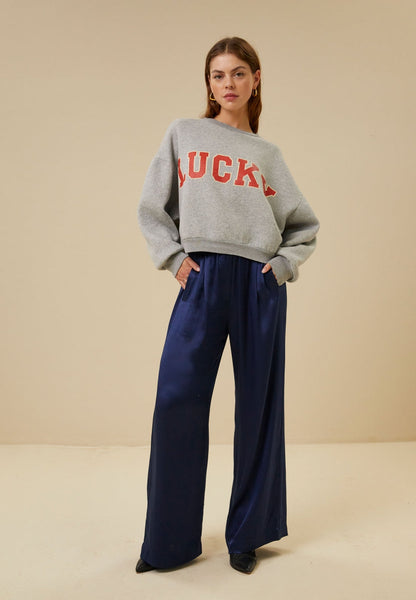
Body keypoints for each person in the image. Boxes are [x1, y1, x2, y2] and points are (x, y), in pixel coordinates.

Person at [135, 36, 320, 575]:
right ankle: (167, 544)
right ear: (209, 84)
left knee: (258, 407)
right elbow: (151, 207)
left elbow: (303, 226)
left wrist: (282, 266)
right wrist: (173, 257)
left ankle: (248, 535)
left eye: (239, 73)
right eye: (218, 75)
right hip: (203, 277)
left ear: (255, 80)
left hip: (258, 282)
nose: (229, 83)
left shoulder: (267, 156)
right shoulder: (183, 133)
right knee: (176, 400)